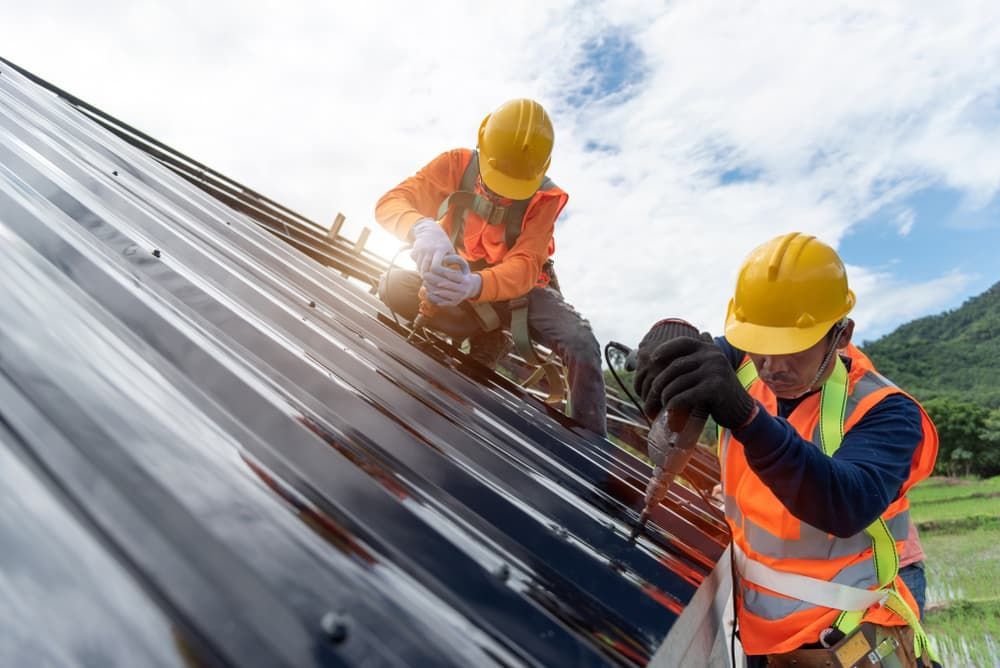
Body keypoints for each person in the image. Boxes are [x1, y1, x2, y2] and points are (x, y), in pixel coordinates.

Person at [633, 233, 939, 666]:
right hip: (762, 635)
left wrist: (747, 419)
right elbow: (701, 353)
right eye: (760, 347)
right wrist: (670, 335)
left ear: (841, 333)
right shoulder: (743, 364)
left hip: (845, 638)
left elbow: (844, 504)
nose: (773, 366)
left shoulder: (886, 413)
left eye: (791, 350)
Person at [374, 98, 607, 436]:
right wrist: (420, 228)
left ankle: (591, 449)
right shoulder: (455, 165)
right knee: (392, 286)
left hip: (521, 296)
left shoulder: (545, 199)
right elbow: (390, 203)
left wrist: (476, 285)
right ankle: (487, 336)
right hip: (460, 284)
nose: (502, 195)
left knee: (581, 342)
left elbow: (526, 266)